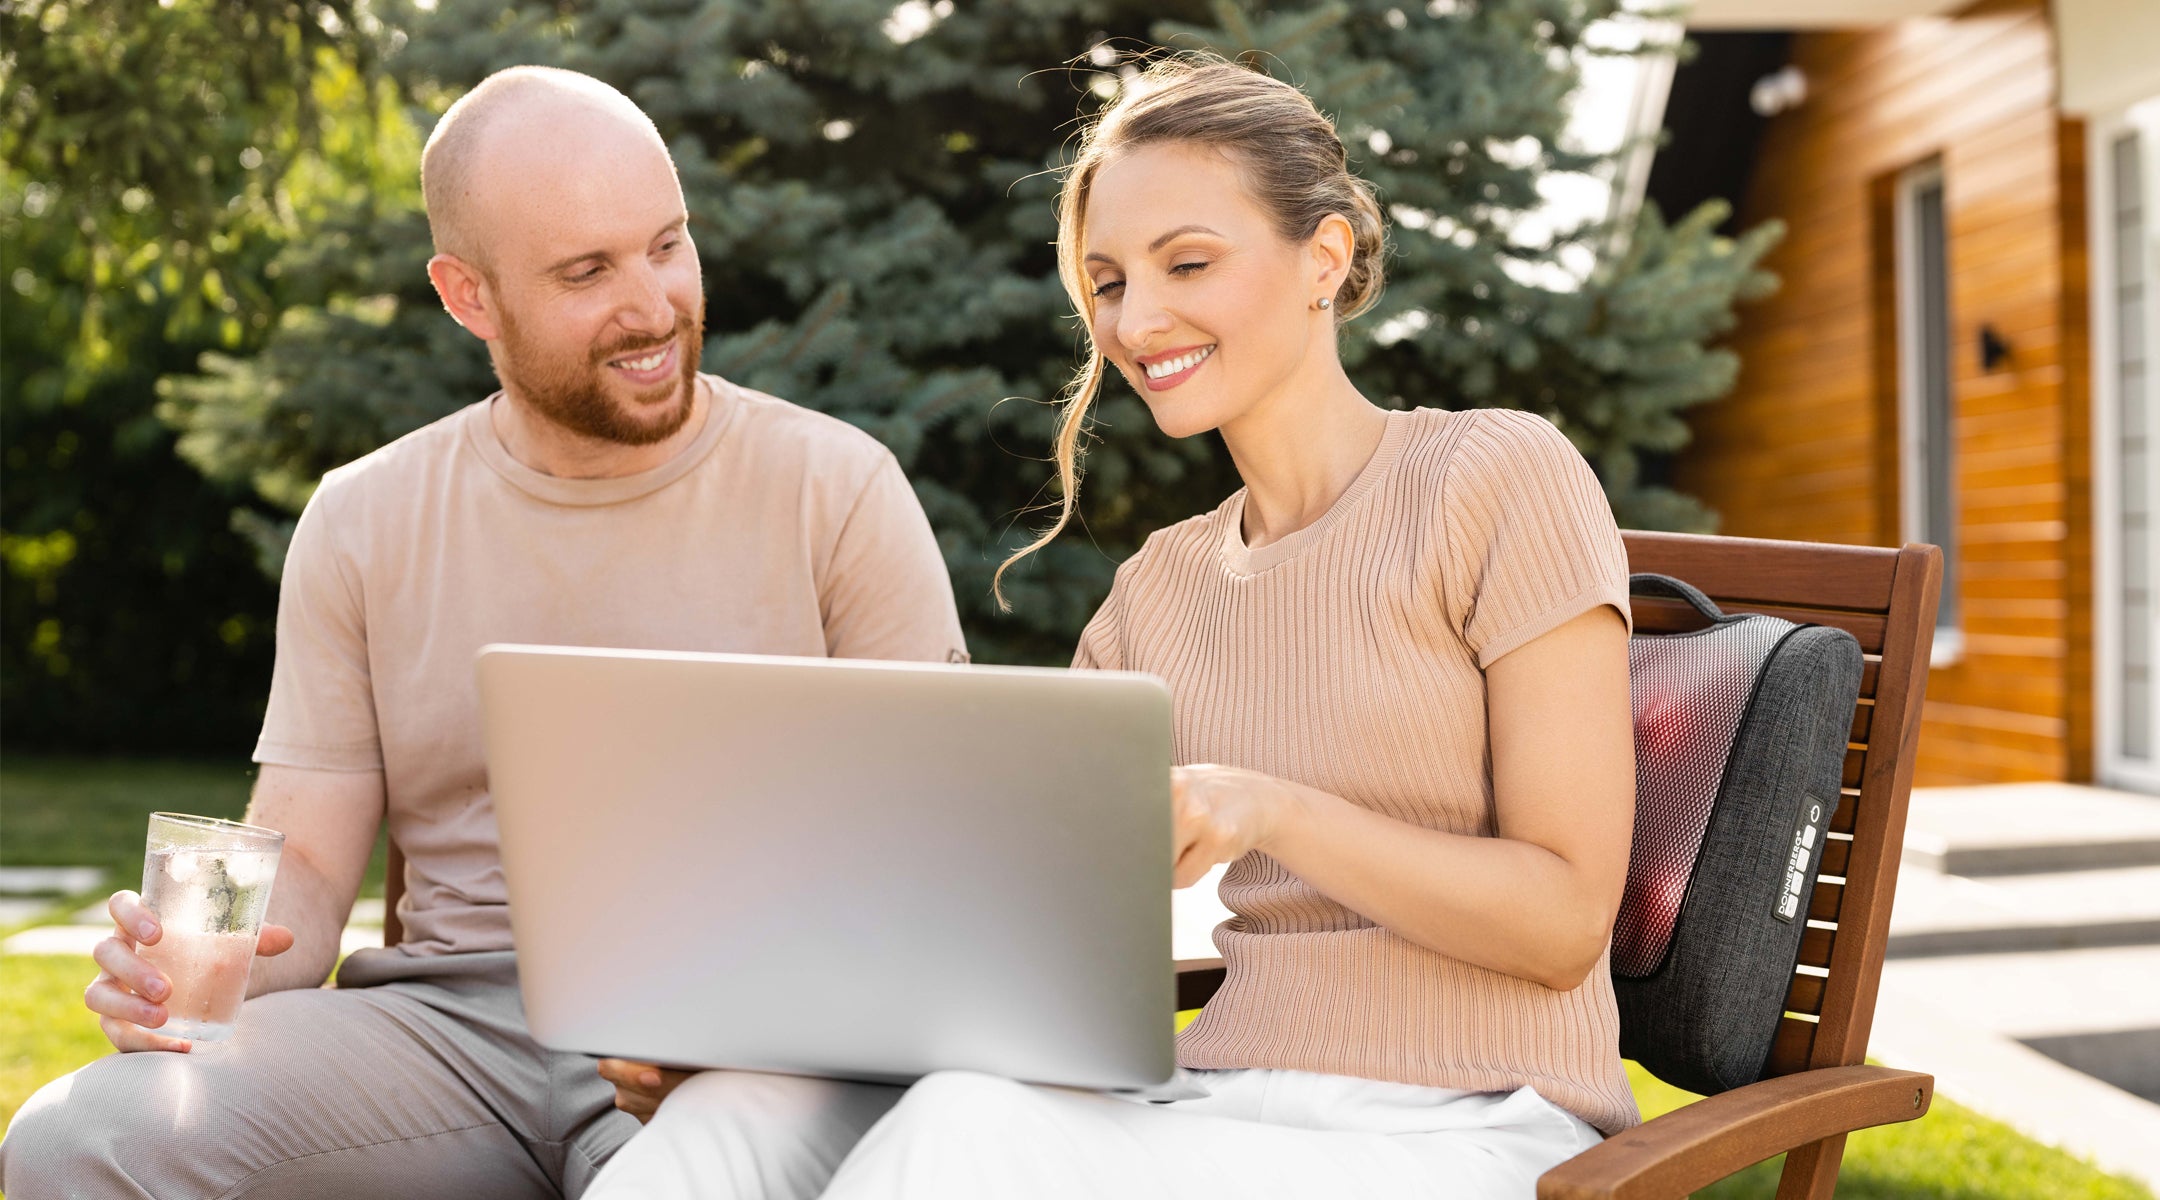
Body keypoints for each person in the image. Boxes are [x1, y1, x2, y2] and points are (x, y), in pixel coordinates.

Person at [586, 56, 1639, 1199]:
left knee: (963, 1139)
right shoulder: (1158, 591)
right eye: (1106, 281)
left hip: (1466, 1128)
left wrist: (1273, 808)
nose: (1136, 320)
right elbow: (1015, 933)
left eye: (1187, 262)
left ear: (1322, 260)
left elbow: (1565, 917)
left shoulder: (1492, 476)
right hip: (1219, 1099)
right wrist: (762, 1030)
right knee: (733, 1118)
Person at [0, 66, 966, 1200]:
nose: (652, 306)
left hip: (745, 1037)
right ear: (467, 297)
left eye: (666, 244)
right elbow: (306, 861)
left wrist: (774, 1022)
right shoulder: (364, 517)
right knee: (82, 1136)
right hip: (450, 1032)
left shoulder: (837, 489)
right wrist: (189, 970)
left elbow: (933, 862)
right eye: (585, 272)